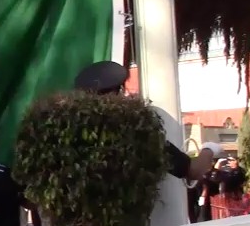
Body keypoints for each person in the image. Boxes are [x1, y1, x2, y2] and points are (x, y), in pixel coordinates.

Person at [74, 61, 224, 181]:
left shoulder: (71, 134)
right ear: (118, 93)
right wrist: (209, 149)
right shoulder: (136, 132)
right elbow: (194, 170)